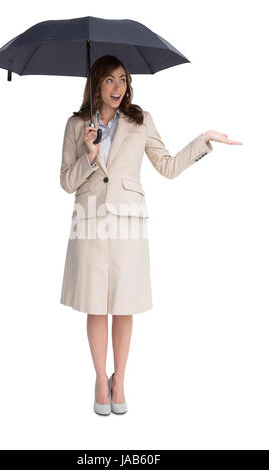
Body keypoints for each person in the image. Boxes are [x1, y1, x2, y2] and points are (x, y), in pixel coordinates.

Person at [59, 55, 243, 415]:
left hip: (129, 224)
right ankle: (100, 380)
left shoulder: (140, 121)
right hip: (90, 221)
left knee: (124, 304)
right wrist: (90, 155)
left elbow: (168, 166)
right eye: (109, 80)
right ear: (96, 83)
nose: (117, 87)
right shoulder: (77, 124)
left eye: (123, 80)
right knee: (96, 306)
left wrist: (203, 139)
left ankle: (121, 380)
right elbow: (66, 182)